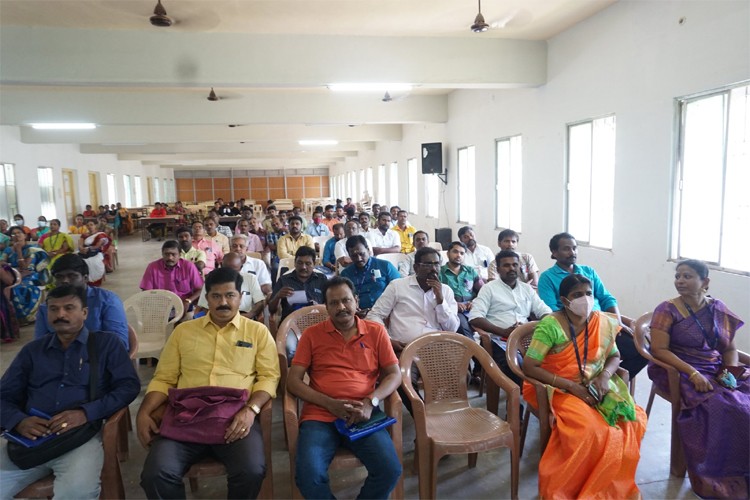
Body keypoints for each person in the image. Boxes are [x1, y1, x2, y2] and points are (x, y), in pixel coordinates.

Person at [137, 268, 280, 499]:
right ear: (206, 297)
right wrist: (144, 411)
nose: (223, 302)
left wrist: (251, 411)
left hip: (235, 417)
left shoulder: (257, 332)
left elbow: (269, 377)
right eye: (216, 296)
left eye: (230, 295)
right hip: (185, 416)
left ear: (240, 297)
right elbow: (164, 377)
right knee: (156, 474)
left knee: (251, 470)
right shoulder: (183, 332)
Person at [0, 285, 140, 500]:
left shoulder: (105, 344)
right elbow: (4, 395)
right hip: (29, 441)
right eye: (53, 309)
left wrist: (86, 413)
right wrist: (19, 421)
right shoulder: (32, 351)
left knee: (76, 493)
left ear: (84, 313)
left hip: (79, 438)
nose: (61, 315)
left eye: (69, 308)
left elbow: (128, 386)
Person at [522, 274, 647, 499]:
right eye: (577, 295)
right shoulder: (551, 325)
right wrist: (571, 386)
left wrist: (604, 377)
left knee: (631, 421)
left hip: (596, 382)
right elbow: (530, 366)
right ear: (564, 300)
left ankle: (611, 490)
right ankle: (574, 490)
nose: (585, 299)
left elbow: (615, 356)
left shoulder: (602, 321)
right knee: (592, 431)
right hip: (557, 386)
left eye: (588, 293)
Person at [288, 277, 402, 499]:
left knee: (389, 470)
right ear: (326, 307)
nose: (341, 307)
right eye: (334, 303)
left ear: (356, 301)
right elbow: (293, 381)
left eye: (346, 300)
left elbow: (394, 375)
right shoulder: (312, 335)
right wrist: (330, 404)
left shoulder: (376, 332)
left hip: (363, 413)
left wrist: (371, 402)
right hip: (320, 415)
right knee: (308, 476)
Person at [647, 260, 748, 499]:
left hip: (714, 367)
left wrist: (729, 370)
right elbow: (659, 350)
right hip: (677, 368)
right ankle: (720, 475)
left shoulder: (718, 309)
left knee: (742, 399)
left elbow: (729, 348)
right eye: (678, 276)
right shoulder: (667, 309)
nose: (680, 281)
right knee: (721, 405)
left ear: (706, 282)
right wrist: (692, 373)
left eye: (687, 276)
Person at [538, 232, 647, 379]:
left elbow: (606, 298)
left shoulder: (588, 272)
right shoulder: (547, 277)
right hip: (575, 331)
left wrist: (618, 322)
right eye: (566, 249)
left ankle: (611, 383)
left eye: (574, 248)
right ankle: (594, 380)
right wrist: (580, 324)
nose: (572, 252)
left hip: (603, 325)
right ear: (554, 252)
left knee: (641, 351)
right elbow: (552, 309)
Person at [469, 250, 552, 385]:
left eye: (515, 265)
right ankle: (519, 399)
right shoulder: (489, 289)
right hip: (498, 339)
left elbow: (545, 311)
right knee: (517, 366)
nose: (512, 268)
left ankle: (537, 396)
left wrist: (535, 327)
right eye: (506, 265)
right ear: (498, 269)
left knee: (550, 362)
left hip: (526, 337)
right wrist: (504, 332)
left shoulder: (527, 289)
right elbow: (475, 317)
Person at [369, 247, 459, 353]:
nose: (434, 269)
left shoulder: (446, 291)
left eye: (437, 264)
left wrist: (440, 300)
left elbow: (452, 328)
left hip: (437, 350)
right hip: (404, 349)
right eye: (428, 265)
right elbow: (374, 315)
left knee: (461, 367)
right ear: (416, 268)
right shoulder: (397, 286)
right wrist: (387, 340)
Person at [35, 254, 129, 350]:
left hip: (99, 360)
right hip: (58, 361)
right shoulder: (46, 308)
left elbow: (119, 344)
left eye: (72, 276)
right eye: (59, 277)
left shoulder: (107, 300)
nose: (65, 281)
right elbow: (40, 346)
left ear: (85, 278)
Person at [139, 240, 203, 315]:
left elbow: (200, 289)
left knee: (190, 320)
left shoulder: (189, 266)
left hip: (184, 306)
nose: (170, 258)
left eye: (173, 254)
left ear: (179, 255)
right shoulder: (152, 267)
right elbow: (146, 291)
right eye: (166, 254)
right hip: (160, 308)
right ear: (162, 254)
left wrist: (188, 301)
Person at [0, 226, 49, 324]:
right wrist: (12, 267)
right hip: (12, 274)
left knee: (16, 288)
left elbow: (25, 267)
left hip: (30, 275)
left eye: (19, 232)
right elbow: (1, 262)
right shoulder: (8, 250)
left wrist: (18, 251)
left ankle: (24, 317)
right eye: (13, 234)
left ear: (25, 235)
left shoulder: (32, 249)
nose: (16, 235)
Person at [196, 253, 265, 320]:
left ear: (241, 268)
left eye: (234, 271)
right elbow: (204, 306)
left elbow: (259, 302)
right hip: (218, 318)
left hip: (244, 317)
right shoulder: (211, 279)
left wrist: (249, 315)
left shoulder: (250, 278)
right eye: (227, 270)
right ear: (221, 265)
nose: (230, 274)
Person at [340, 235, 400, 313]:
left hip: (386, 311)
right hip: (358, 314)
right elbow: (343, 299)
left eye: (361, 254)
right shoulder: (346, 274)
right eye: (354, 256)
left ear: (368, 250)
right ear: (349, 255)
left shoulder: (385, 266)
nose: (359, 259)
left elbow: (399, 289)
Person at [268, 246, 327, 323]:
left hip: (317, 322)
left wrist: (319, 307)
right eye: (300, 263)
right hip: (290, 324)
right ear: (295, 263)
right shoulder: (284, 280)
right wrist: (278, 296)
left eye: (308, 263)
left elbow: (330, 305)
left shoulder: (321, 279)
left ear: (314, 264)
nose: (303, 267)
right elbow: (271, 310)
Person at [439, 241, 484, 338]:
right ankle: (473, 351)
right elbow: (436, 295)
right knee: (463, 327)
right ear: (448, 253)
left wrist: (474, 302)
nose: (458, 255)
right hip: (453, 309)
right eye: (455, 252)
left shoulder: (470, 271)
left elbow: (483, 291)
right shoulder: (440, 272)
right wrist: (454, 304)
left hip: (472, 307)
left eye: (462, 253)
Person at [78, 220, 110, 286]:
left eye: (91, 225)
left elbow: (97, 246)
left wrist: (88, 249)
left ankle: (95, 282)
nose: (89, 227)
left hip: (96, 253)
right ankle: (83, 281)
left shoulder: (100, 234)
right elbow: (80, 244)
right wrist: (82, 249)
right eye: (88, 225)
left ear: (95, 225)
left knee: (94, 262)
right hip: (84, 252)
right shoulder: (84, 235)